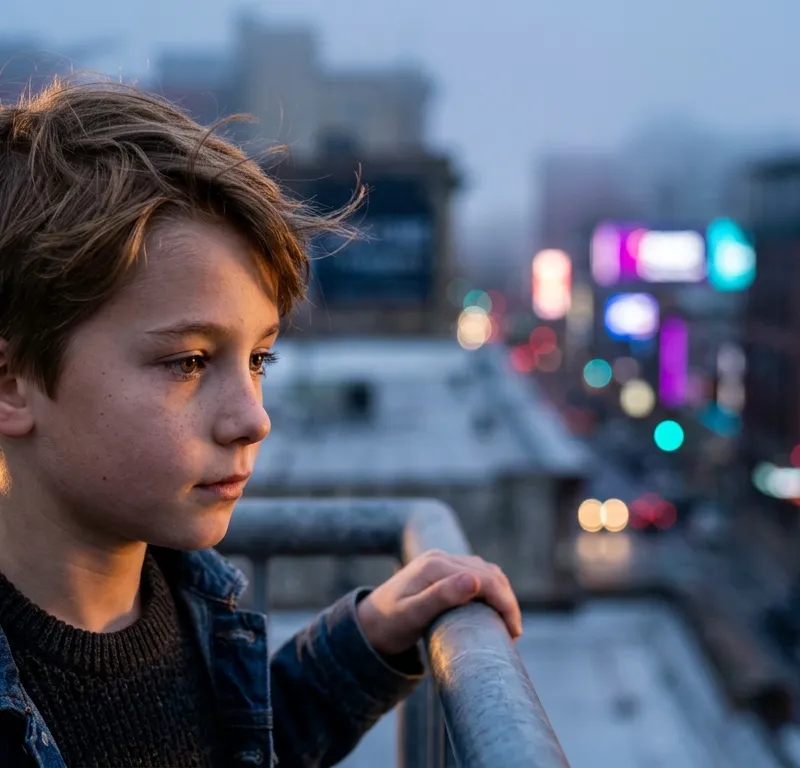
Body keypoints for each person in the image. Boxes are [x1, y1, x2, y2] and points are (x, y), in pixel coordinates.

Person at [0, 78, 522, 768]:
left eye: (258, 360)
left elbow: (233, 746)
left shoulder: (190, 603)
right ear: (12, 385)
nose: (253, 419)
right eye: (188, 362)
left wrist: (365, 643)